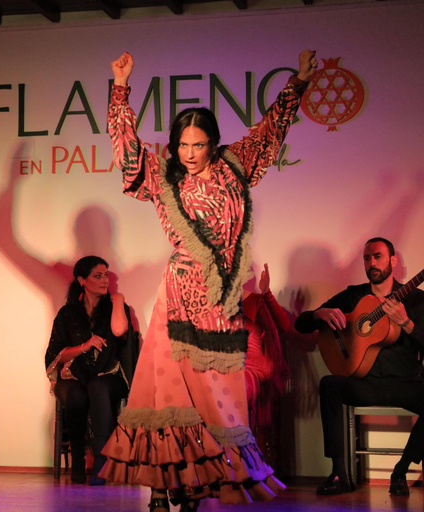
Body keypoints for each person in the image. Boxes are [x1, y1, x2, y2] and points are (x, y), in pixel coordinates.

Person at [99, 50, 317, 511]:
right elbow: (126, 147)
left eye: (198, 145)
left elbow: (269, 129)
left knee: (213, 401)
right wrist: (120, 87)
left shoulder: (236, 167)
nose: (190, 154)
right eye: (182, 145)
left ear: (214, 144)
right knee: (167, 397)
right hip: (177, 296)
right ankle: (161, 489)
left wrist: (296, 83)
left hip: (220, 303)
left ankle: (195, 488)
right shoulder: (162, 179)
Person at [294, 237, 424, 497]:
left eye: (377, 256)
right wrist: (319, 314)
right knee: (329, 384)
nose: (372, 263)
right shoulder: (353, 296)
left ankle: (400, 471)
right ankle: (339, 473)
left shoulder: (416, 300)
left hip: (405, 383)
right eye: (367, 258)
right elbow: (302, 324)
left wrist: (406, 323)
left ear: (393, 260)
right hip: (365, 384)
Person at [45, 256, 138, 486]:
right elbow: (55, 355)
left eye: (106, 275)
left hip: (110, 375)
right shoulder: (68, 314)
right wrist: (84, 347)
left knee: (97, 386)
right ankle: (77, 460)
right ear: (82, 280)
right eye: (98, 276)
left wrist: (119, 299)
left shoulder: (116, 307)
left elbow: (120, 330)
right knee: (76, 394)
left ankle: (101, 461)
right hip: (74, 374)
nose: (105, 280)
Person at [241, 264, 290, 462]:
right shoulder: (211, 305)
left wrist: (266, 292)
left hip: (250, 372)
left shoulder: (255, 301)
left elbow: (283, 326)